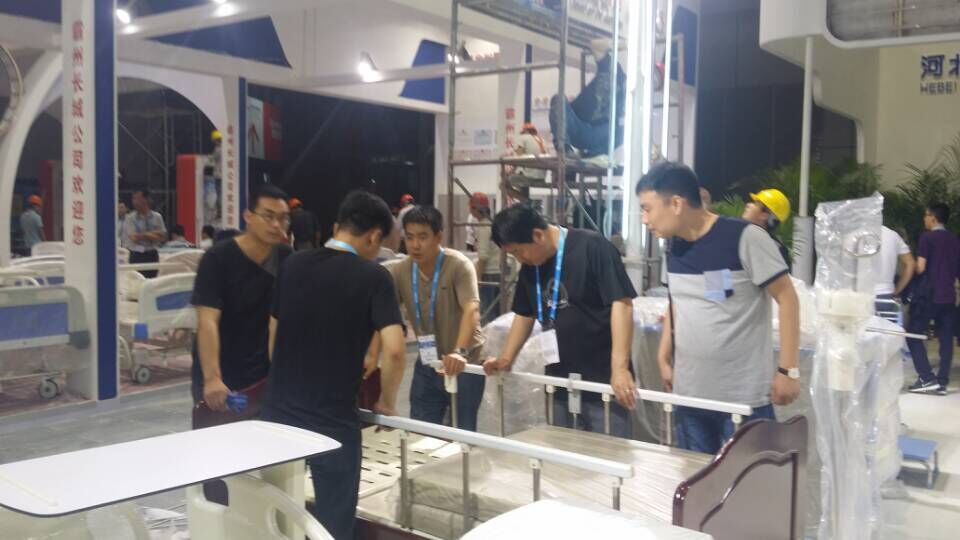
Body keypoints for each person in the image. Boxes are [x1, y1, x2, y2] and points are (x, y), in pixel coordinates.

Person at [262, 190, 406, 540]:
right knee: (333, 522)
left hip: (279, 414)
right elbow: (395, 351)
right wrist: (386, 400)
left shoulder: (292, 264)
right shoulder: (374, 277)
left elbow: (273, 336)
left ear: (337, 225)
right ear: (373, 236)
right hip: (333, 422)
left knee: (273, 514)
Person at [637, 162, 800, 455]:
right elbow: (678, 302)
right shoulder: (674, 247)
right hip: (690, 398)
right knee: (697, 477)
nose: (644, 219)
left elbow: (788, 298)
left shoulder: (745, 238)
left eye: (647, 209)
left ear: (676, 204)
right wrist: (663, 356)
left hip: (742, 401)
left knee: (746, 480)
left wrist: (788, 370)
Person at [485, 203, 638, 437]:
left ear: (538, 235)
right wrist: (506, 358)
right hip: (558, 382)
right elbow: (525, 313)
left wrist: (620, 368)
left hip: (603, 382)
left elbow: (622, 304)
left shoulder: (593, 246)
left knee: (610, 452)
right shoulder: (531, 266)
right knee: (562, 450)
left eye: (518, 251)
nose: (519, 259)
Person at [384, 205, 486, 431]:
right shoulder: (400, 271)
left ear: (439, 237)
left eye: (423, 237)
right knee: (422, 432)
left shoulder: (459, 265)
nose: (415, 245)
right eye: (409, 237)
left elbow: (471, 309)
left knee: (463, 433)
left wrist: (459, 352)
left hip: (465, 363)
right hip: (428, 362)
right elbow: (385, 315)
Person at [191, 184, 293, 411]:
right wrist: (212, 378)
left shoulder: (287, 258)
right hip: (221, 370)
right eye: (268, 216)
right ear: (248, 216)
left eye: (283, 218)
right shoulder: (217, 259)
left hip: (262, 371)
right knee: (219, 431)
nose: (276, 225)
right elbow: (207, 321)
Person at [906, 203, 960, 396]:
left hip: (929, 296)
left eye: (926, 215)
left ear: (933, 218)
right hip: (948, 296)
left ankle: (926, 377)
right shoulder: (955, 240)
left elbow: (921, 267)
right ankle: (942, 382)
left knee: (913, 334)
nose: (924, 219)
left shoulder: (927, 238)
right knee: (946, 338)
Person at [549, 38, 625, 157]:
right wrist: (627, 43)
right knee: (558, 99)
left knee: (624, 130)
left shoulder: (630, 99)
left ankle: (593, 156)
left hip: (599, 132)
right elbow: (595, 44)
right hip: (577, 125)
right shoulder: (615, 72)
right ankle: (564, 147)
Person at [470, 193, 508, 324]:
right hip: (497, 273)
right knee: (496, 314)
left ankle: (487, 337)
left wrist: (477, 279)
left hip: (488, 275)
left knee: (486, 314)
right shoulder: (492, 225)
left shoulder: (483, 227)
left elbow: (483, 257)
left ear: (475, 209)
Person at [741, 188, 792, 271]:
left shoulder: (773, 250)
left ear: (764, 215)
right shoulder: (744, 238)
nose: (748, 205)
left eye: (756, 204)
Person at [873, 225, 915, 318]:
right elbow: (910, 263)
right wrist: (897, 289)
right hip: (885, 294)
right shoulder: (892, 235)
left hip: (858, 294)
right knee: (885, 326)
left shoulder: (854, 234)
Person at [124, 189, 167, 278]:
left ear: (146, 199)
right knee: (135, 281)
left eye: (137, 198)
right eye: (133, 199)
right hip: (136, 255)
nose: (134, 201)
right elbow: (134, 238)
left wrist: (141, 235)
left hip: (152, 255)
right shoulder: (130, 218)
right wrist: (154, 234)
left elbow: (162, 237)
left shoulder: (157, 217)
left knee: (152, 281)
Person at [502, 123, 549, 204]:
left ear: (526, 131)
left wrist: (509, 173)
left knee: (503, 184)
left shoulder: (523, 138)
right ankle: (525, 202)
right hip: (541, 178)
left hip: (529, 176)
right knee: (520, 181)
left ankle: (528, 202)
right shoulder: (542, 141)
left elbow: (519, 157)